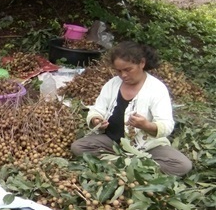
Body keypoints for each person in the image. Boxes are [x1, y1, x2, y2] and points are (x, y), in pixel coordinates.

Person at [70, 41, 192, 176]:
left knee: (182, 165)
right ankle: (130, 165)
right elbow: (98, 109)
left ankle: (125, 163)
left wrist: (146, 125)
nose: (123, 75)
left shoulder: (157, 89)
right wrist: (96, 120)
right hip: (112, 142)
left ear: (142, 63)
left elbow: (167, 125)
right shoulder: (112, 84)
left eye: (128, 70)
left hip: (145, 147)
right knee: (78, 147)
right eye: (118, 71)